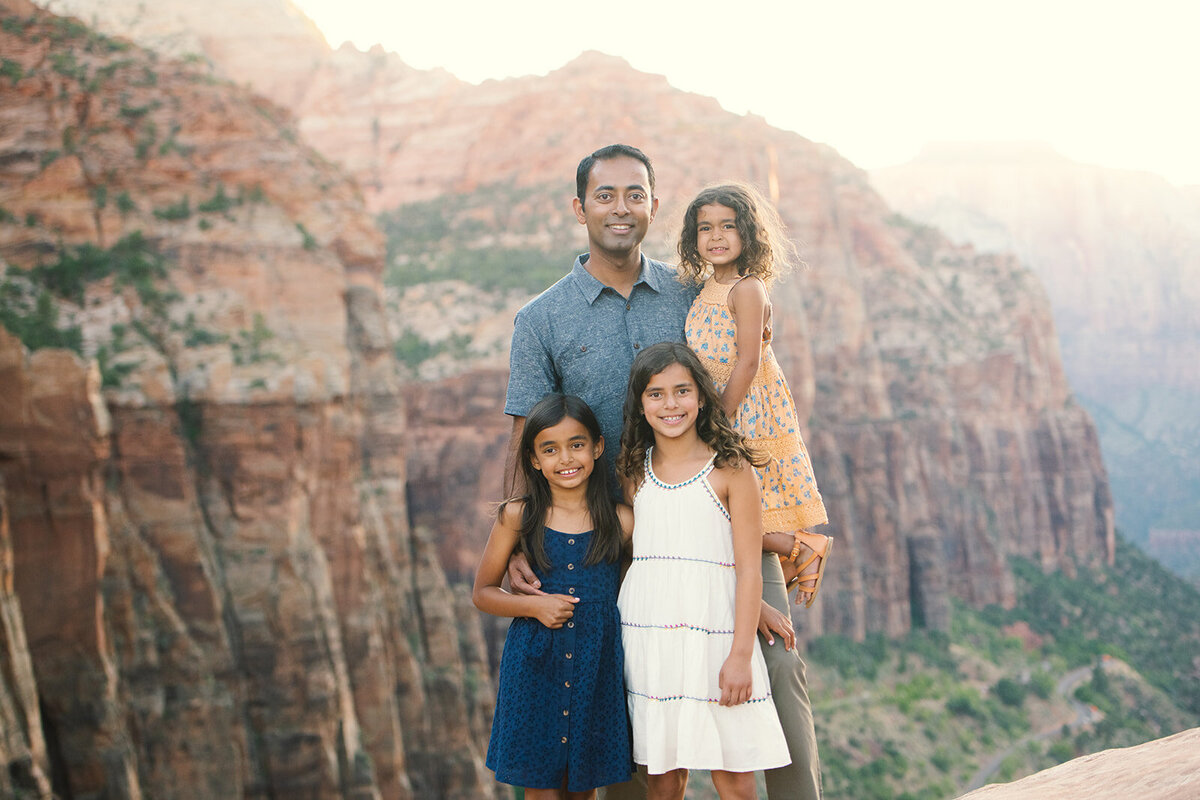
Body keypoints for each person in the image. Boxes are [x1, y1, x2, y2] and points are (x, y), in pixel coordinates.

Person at [504, 145, 823, 800]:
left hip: (729, 518)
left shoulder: (694, 291)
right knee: (634, 716)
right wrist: (516, 538)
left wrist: (739, 569)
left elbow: (753, 373)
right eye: (605, 195)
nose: (621, 208)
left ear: (653, 204)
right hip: (616, 540)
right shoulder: (540, 320)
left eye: (635, 194)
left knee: (777, 671)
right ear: (580, 207)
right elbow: (526, 441)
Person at [616, 342, 789, 800]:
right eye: (656, 394)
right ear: (640, 403)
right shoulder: (635, 470)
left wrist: (738, 655)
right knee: (662, 774)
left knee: (733, 771)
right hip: (650, 633)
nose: (670, 404)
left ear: (701, 397)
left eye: (682, 391)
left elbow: (749, 569)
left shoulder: (730, 470)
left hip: (716, 633)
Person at [474, 393, 635, 798]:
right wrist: (536, 605)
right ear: (533, 459)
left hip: (596, 669)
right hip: (535, 668)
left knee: (582, 787)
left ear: (598, 447)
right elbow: (483, 593)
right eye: (550, 449)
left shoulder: (621, 521)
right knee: (541, 789)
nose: (565, 459)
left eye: (576, 445)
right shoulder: (518, 516)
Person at [679, 183, 832, 607]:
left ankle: (799, 547)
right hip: (719, 404)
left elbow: (747, 360)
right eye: (705, 228)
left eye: (728, 226)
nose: (716, 236)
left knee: (728, 509)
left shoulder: (747, 288)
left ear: (747, 232)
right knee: (722, 507)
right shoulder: (708, 285)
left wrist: (717, 420)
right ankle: (793, 554)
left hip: (746, 409)